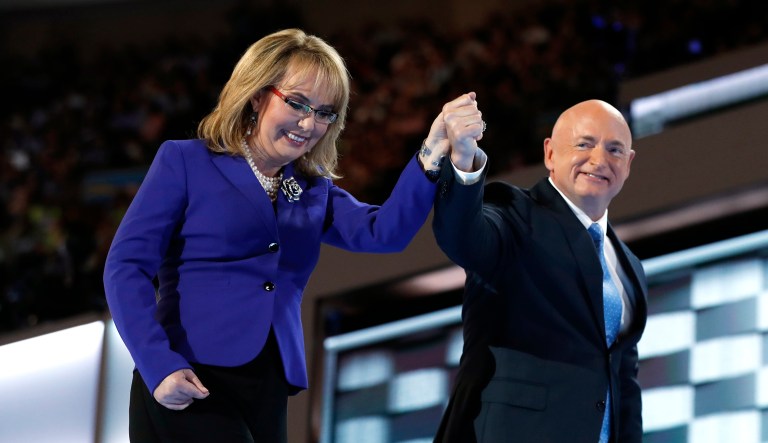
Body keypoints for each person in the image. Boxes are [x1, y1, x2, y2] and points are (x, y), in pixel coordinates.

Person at [103, 28, 460, 442]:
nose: (309, 123)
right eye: (297, 103)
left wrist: (431, 153)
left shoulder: (312, 188)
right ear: (257, 95)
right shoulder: (185, 162)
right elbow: (125, 268)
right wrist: (156, 362)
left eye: (325, 112)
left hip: (269, 386)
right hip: (189, 379)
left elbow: (384, 234)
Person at [432, 98, 648, 443]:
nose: (599, 160)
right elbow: (463, 239)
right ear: (550, 153)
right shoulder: (516, 217)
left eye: (615, 150)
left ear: (628, 164)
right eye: (584, 144)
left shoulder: (629, 266)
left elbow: (624, 384)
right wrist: (462, 163)